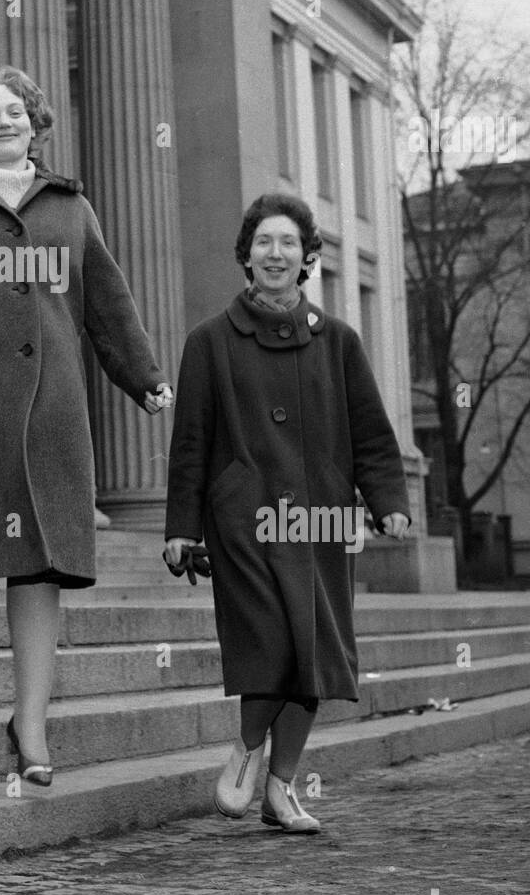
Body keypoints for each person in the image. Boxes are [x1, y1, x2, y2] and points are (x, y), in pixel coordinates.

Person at [0, 65, 172, 785]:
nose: (3, 122)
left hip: (52, 408)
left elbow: (107, 303)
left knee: (42, 562)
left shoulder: (70, 209)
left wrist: (143, 376)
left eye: (14, 112)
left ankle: (31, 723)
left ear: (35, 121)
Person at [165, 192, 410, 832]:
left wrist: (388, 504)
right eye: (264, 243)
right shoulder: (209, 341)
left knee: (316, 654)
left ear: (306, 258)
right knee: (270, 643)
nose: (276, 254)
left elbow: (372, 435)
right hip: (242, 521)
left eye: (288, 244)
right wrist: (181, 528)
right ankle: (248, 748)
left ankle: (282, 787)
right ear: (246, 255)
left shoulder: (340, 343)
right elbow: (190, 443)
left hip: (320, 522)